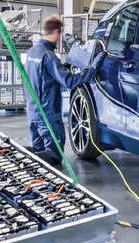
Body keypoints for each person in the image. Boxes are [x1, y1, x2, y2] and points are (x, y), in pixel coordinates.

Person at [24, 15, 101, 166]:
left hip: (33, 114)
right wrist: (92, 70)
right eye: (59, 34)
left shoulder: (32, 52)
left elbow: (43, 76)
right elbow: (70, 82)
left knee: (38, 152)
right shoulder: (49, 56)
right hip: (48, 116)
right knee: (53, 157)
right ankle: (23, 157)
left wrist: (63, 67)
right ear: (56, 32)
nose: (59, 39)